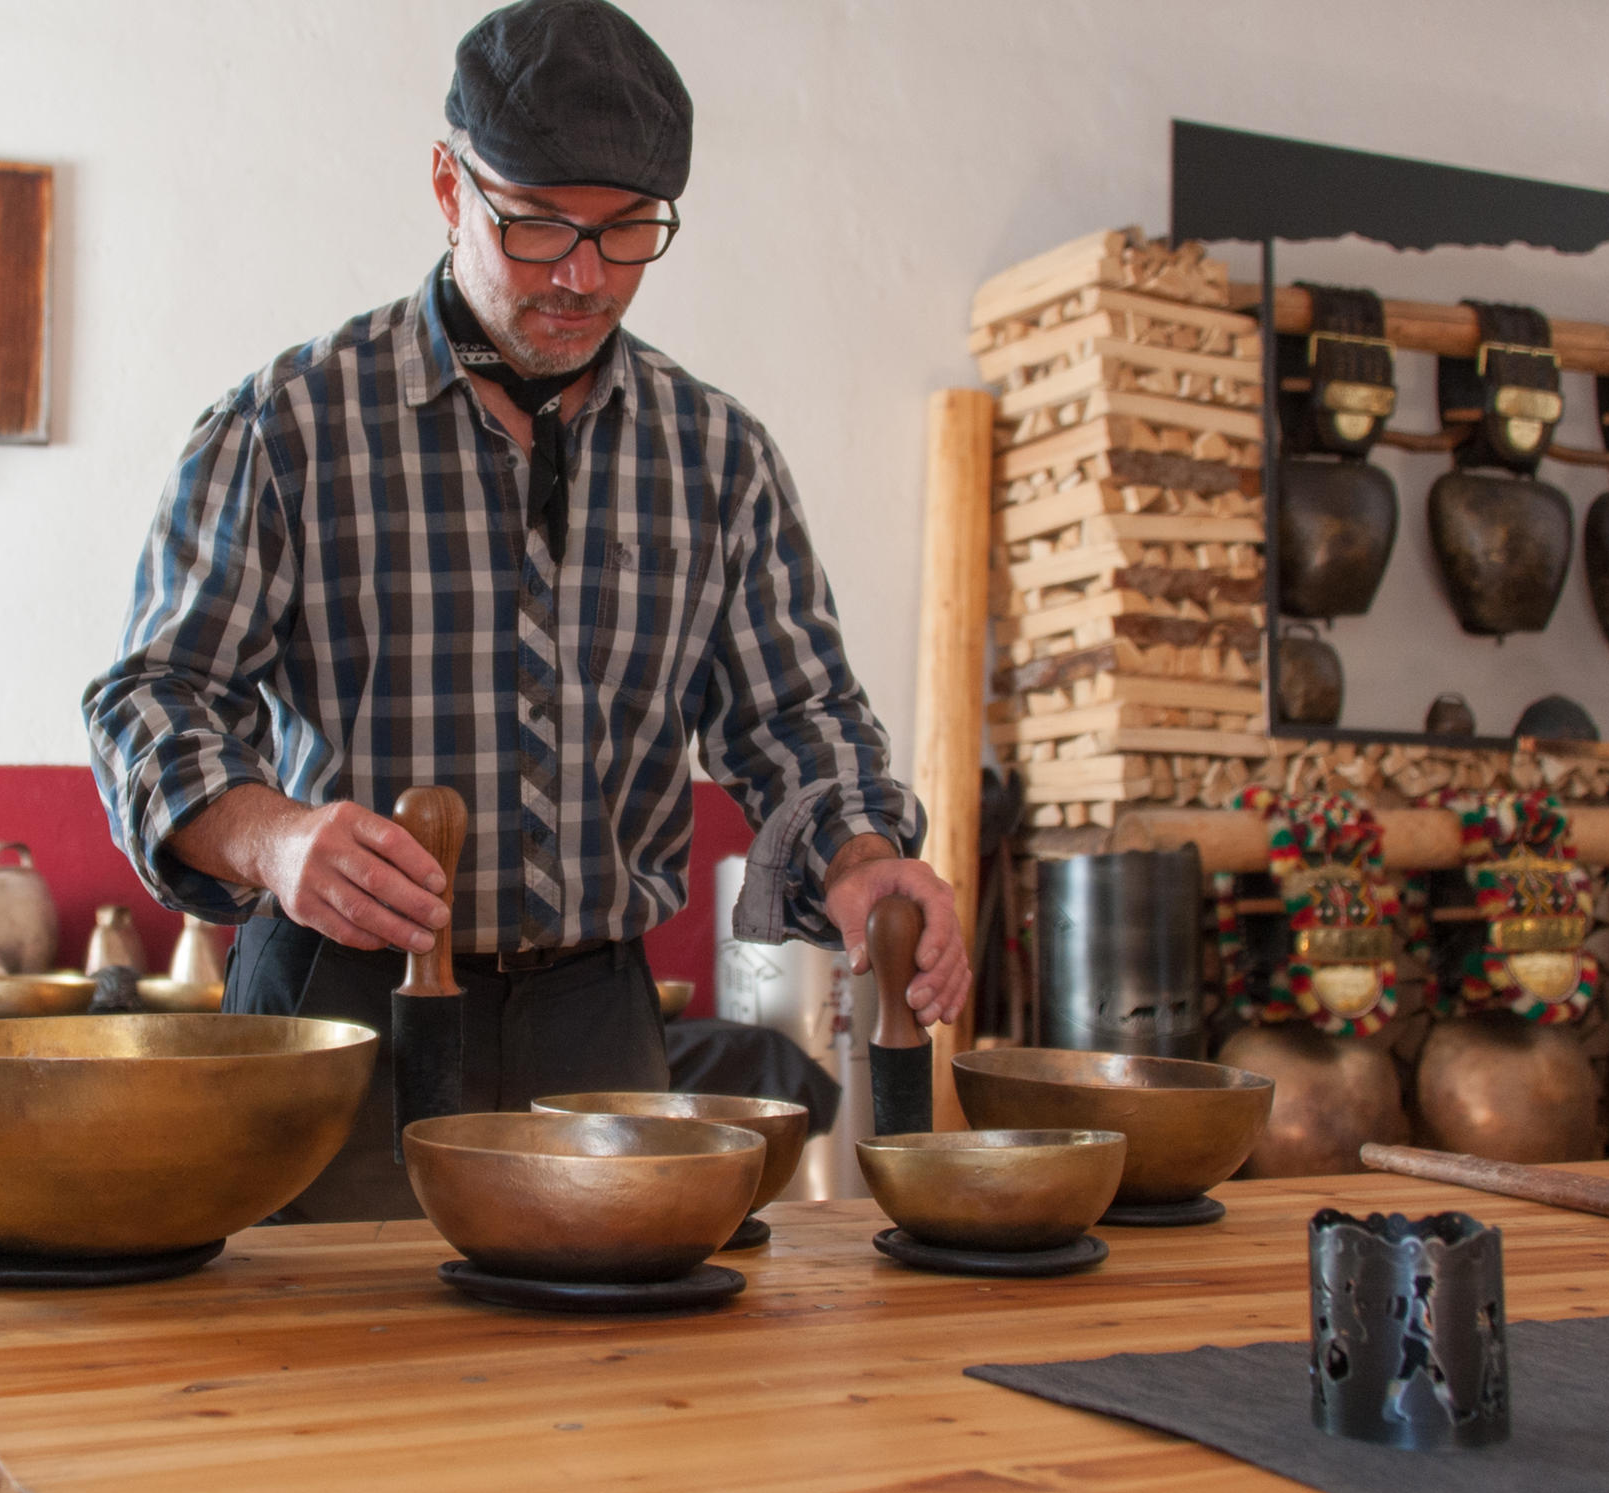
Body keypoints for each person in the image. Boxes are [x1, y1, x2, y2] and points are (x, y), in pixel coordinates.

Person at [84, 0, 965, 1221]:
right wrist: (273, 838)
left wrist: (866, 859)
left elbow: (797, 717)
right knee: (326, 1383)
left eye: (627, 233)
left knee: (605, 1399)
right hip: (336, 1019)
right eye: (536, 222)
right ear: (448, 183)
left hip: (595, 1029)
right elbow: (151, 699)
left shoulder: (715, 456)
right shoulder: (287, 427)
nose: (582, 275)